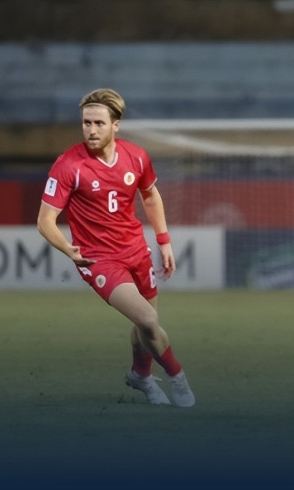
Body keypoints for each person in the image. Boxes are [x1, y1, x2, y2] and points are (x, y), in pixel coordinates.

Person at [37, 88, 195, 407]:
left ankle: (141, 376)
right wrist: (68, 249)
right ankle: (178, 376)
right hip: (98, 260)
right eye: (86, 123)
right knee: (148, 320)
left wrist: (164, 241)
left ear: (115, 125)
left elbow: (150, 196)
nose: (91, 130)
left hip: (135, 250)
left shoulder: (136, 157)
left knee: (144, 324)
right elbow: (45, 221)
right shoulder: (68, 165)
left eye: (98, 123)